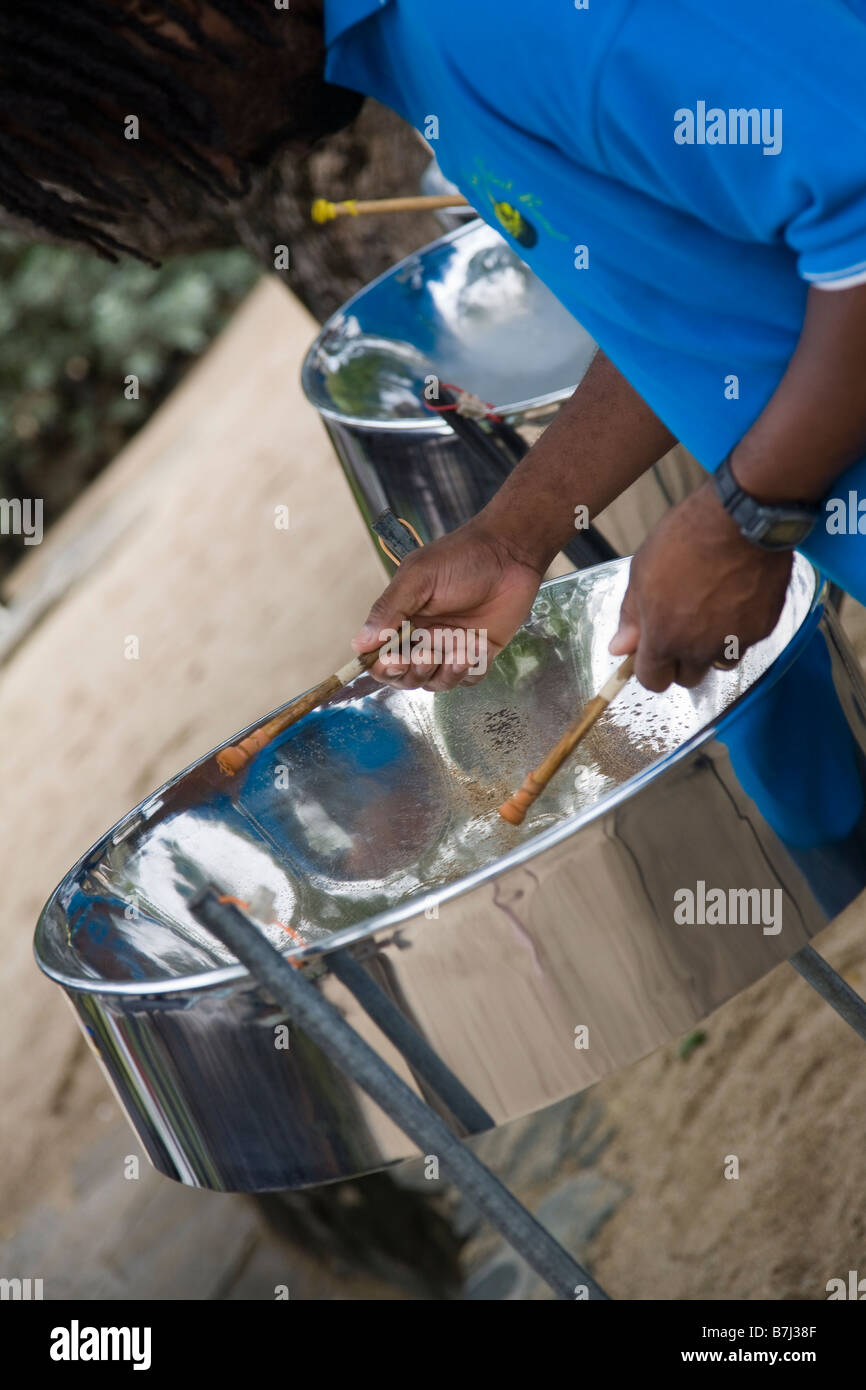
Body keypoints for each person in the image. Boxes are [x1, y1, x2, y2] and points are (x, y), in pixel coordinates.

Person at [2, 1, 865, 694]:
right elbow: (699, 294)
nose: (203, 165)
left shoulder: (510, 18)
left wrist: (742, 524)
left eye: (128, 119)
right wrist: (514, 535)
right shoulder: (420, 46)